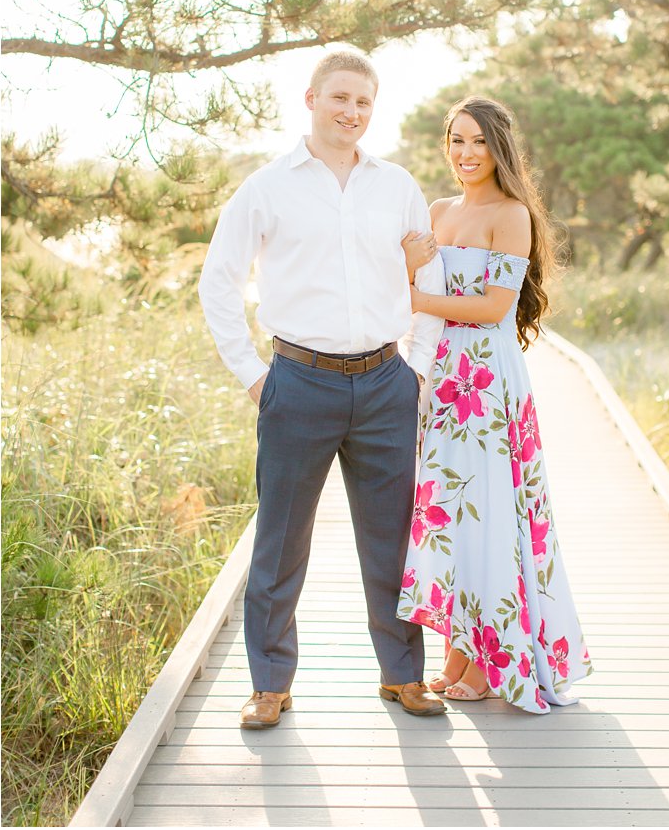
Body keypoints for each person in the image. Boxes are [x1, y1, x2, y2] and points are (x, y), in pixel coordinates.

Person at [199, 50, 449, 729]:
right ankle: (269, 682)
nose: (352, 113)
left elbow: (426, 280)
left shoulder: (396, 185)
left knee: (391, 539)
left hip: (384, 383)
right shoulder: (266, 187)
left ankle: (403, 673)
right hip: (297, 382)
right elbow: (217, 280)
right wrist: (253, 375)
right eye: (340, 98)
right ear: (311, 98)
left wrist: (418, 367)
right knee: (279, 540)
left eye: (364, 103)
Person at [395, 95, 590, 711]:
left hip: (488, 378)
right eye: (456, 140)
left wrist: (415, 298)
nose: (466, 153)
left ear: (499, 147)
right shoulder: (437, 210)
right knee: (451, 510)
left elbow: (492, 308)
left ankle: (490, 655)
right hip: (442, 375)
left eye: (478, 140)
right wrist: (407, 278)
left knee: (490, 507)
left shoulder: (512, 215)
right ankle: (460, 648)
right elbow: (407, 281)